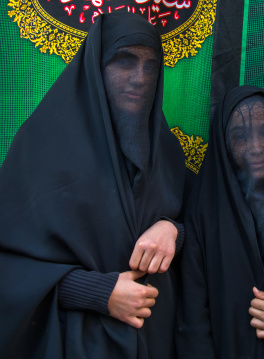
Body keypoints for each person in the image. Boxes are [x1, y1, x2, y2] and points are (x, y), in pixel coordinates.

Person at [0, 12, 186, 358]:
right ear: (95, 67)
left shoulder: (167, 152)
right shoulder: (41, 148)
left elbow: (200, 221)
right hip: (75, 341)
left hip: (157, 340)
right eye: (123, 61)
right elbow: (9, 264)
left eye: (151, 65)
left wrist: (171, 228)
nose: (140, 78)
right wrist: (96, 291)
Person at [176, 85, 264, 358]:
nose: (256, 147)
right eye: (241, 136)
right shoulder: (203, 214)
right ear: (224, 144)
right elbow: (192, 319)